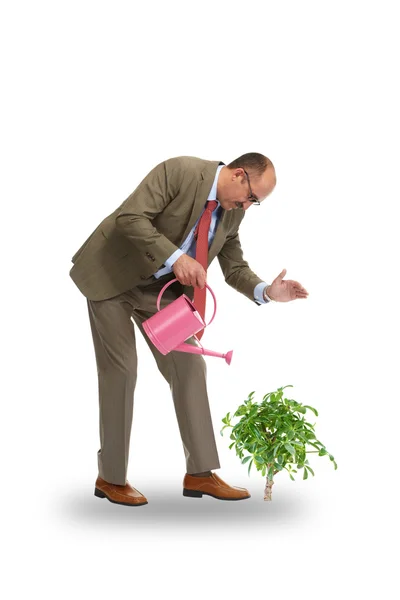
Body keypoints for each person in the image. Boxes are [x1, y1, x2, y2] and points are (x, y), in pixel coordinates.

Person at [69, 153, 309, 507]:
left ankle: (200, 474)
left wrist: (266, 291)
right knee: (121, 370)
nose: (248, 206)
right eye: (251, 197)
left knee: (190, 365)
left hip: (162, 292)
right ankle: (111, 478)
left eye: (254, 203)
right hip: (112, 277)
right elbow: (129, 217)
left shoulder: (233, 212)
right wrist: (176, 258)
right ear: (239, 174)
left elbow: (234, 266)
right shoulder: (180, 171)